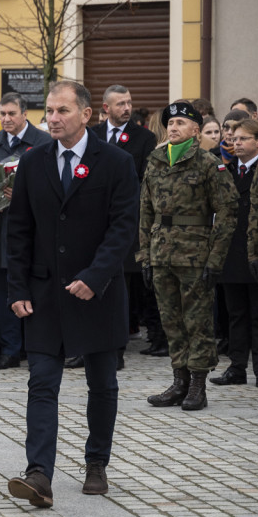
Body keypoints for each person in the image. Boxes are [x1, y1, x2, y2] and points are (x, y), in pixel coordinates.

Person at [5, 81, 140, 508]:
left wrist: (95, 276)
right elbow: (19, 230)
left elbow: (124, 228)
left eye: (63, 110)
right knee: (42, 382)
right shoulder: (32, 162)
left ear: (87, 114)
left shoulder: (115, 162)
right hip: (45, 294)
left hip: (96, 294)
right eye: (49, 111)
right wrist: (17, 286)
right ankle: (39, 473)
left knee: (102, 384)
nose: (54, 118)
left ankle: (96, 462)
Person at [139, 101, 239, 411]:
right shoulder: (155, 160)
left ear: (196, 130)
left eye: (181, 123)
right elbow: (145, 210)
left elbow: (227, 211)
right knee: (171, 321)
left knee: (197, 322)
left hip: (196, 255)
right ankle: (179, 380)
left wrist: (216, 258)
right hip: (161, 253)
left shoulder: (208, 164)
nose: (173, 127)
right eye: (170, 123)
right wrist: (144, 254)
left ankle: (198, 384)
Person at [0, 92, 53, 370]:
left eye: (11, 114)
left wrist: (25, 195)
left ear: (24, 114)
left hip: (36, 230)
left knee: (36, 287)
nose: (6, 119)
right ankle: (10, 349)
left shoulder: (43, 142)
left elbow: (55, 183)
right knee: (2, 291)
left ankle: (39, 346)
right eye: (2, 114)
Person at [92, 84, 158, 368]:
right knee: (91, 285)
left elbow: (145, 182)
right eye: (120, 104)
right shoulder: (91, 136)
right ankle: (88, 346)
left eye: (129, 102)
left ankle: (115, 351)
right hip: (91, 224)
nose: (127, 108)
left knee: (122, 291)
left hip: (125, 224)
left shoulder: (144, 138)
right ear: (106, 108)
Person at [211, 118, 258, 388]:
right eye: (234, 139)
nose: (237, 143)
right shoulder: (227, 170)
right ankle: (236, 367)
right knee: (235, 313)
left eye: (243, 139)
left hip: (257, 250)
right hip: (232, 250)